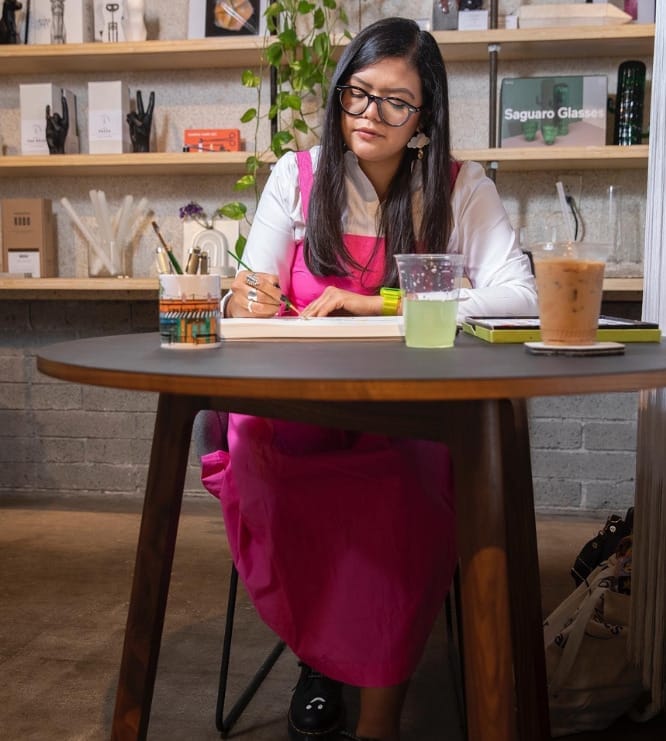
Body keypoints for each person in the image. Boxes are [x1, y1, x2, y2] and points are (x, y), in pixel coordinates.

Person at [199, 17, 537, 741]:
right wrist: (240, 298)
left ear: (425, 120)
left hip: (409, 417)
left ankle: (377, 716)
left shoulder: (457, 186)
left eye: (395, 102)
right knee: (259, 446)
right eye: (357, 95)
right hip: (294, 414)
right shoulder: (297, 176)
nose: (368, 116)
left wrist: (383, 302)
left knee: (402, 487)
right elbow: (247, 294)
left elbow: (522, 297)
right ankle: (319, 658)